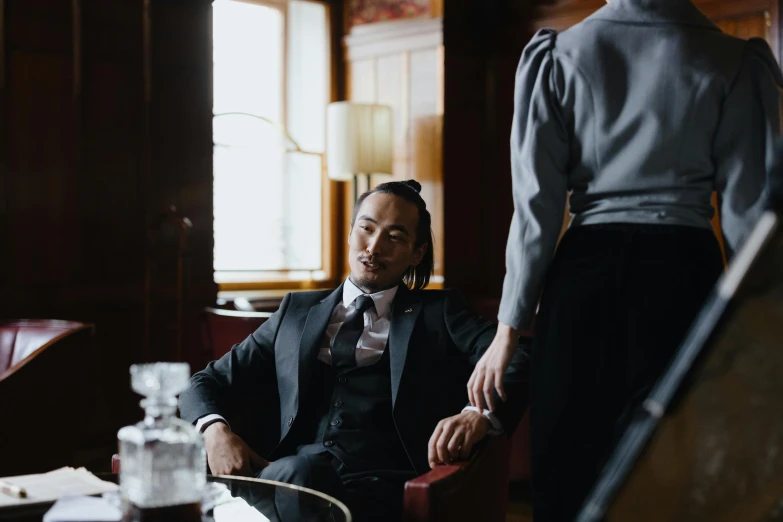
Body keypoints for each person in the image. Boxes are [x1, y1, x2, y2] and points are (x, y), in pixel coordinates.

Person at [466, 0, 783, 520]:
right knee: (676, 468)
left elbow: (536, 213)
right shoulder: (735, 60)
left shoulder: (559, 54)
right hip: (688, 275)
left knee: (568, 464)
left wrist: (507, 331)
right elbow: (750, 218)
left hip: (585, 277)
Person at [179, 180, 530, 522]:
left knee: (294, 484)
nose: (374, 247)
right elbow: (206, 381)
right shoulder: (296, 312)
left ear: (417, 253)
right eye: (366, 228)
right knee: (297, 478)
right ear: (350, 233)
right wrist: (214, 430)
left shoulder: (440, 312)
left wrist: (477, 413)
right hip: (293, 476)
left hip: (382, 486)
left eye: (395, 237)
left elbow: (518, 357)